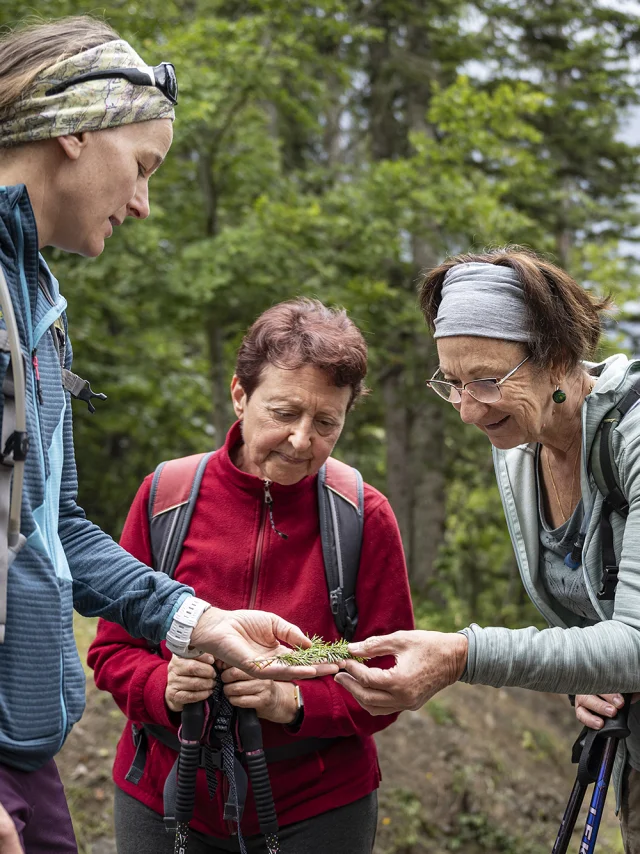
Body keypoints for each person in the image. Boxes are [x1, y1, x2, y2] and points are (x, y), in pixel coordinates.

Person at [0, 18, 332, 852]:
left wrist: (199, 621)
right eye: (142, 166)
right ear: (73, 128)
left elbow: (55, 527)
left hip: (23, 755)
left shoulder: (35, 305)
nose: (144, 202)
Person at [334, 248, 640, 851]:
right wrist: (589, 671)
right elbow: (594, 621)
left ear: (556, 357)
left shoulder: (632, 440)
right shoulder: (520, 447)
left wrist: (461, 655)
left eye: (487, 381)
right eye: (451, 382)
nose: (468, 410)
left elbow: (635, 641)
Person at [88, 298, 414, 854]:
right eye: (284, 413)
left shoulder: (361, 515)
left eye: (326, 423)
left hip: (319, 806)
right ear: (240, 395)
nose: (301, 441)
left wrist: (298, 705)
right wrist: (159, 686)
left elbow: (389, 669)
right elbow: (112, 648)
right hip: (165, 792)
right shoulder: (166, 498)